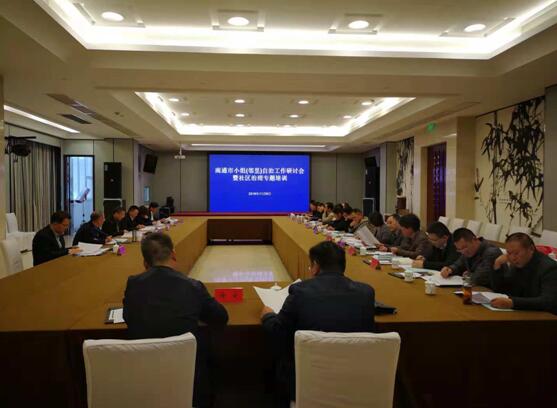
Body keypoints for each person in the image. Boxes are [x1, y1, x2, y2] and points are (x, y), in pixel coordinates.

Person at [261, 241, 375, 403]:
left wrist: (268, 315)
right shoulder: (366, 293)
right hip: (355, 380)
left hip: (306, 381)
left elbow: (277, 331)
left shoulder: (300, 291)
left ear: (315, 266)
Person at [123, 233, 229, 407]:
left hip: (144, 375)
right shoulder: (193, 286)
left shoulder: (133, 283)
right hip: (189, 378)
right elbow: (221, 317)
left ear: (145, 263)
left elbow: (128, 317)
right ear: (173, 254)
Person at [489, 233, 557, 314]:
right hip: (523, 313)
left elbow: (548, 301)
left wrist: (513, 303)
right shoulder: (518, 263)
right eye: (509, 253)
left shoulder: (549, 268)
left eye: (516, 253)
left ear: (531, 249)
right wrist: (497, 265)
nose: (513, 258)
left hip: (547, 317)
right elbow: (501, 290)